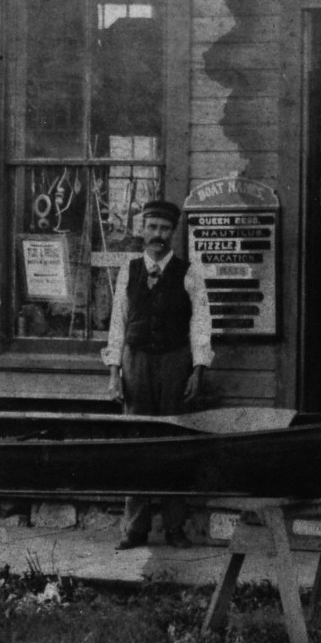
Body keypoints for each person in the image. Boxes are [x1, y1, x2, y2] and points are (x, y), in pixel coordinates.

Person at [102, 198, 212, 548]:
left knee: (174, 441)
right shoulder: (129, 270)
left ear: (173, 232)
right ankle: (135, 528)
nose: (158, 235)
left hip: (175, 362)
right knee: (138, 441)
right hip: (136, 362)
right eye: (152, 227)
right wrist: (114, 373)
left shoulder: (189, 272)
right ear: (142, 229)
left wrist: (198, 369)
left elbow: (201, 323)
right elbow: (117, 323)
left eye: (165, 229)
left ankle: (175, 526)